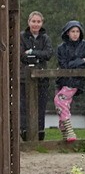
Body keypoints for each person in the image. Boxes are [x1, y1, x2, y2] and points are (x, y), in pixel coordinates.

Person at [54, 20, 85, 143]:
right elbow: (64, 65)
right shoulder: (61, 48)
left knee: (59, 100)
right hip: (62, 80)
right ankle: (65, 136)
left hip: (76, 81)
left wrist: (80, 63)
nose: (75, 34)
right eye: (73, 31)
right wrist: (81, 61)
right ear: (67, 33)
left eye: (77, 31)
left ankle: (70, 130)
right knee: (61, 106)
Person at [20, 11, 54, 141]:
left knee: (41, 105)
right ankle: (24, 131)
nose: (36, 24)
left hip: (42, 77)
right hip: (24, 77)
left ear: (42, 23)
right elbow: (22, 55)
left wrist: (33, 53)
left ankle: (40, 132)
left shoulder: (45, 38)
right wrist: (36, 57)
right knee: (23, 105)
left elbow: (48, 54)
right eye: (33, 21)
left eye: (38, 21)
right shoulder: (22, 37)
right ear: (29, 22)